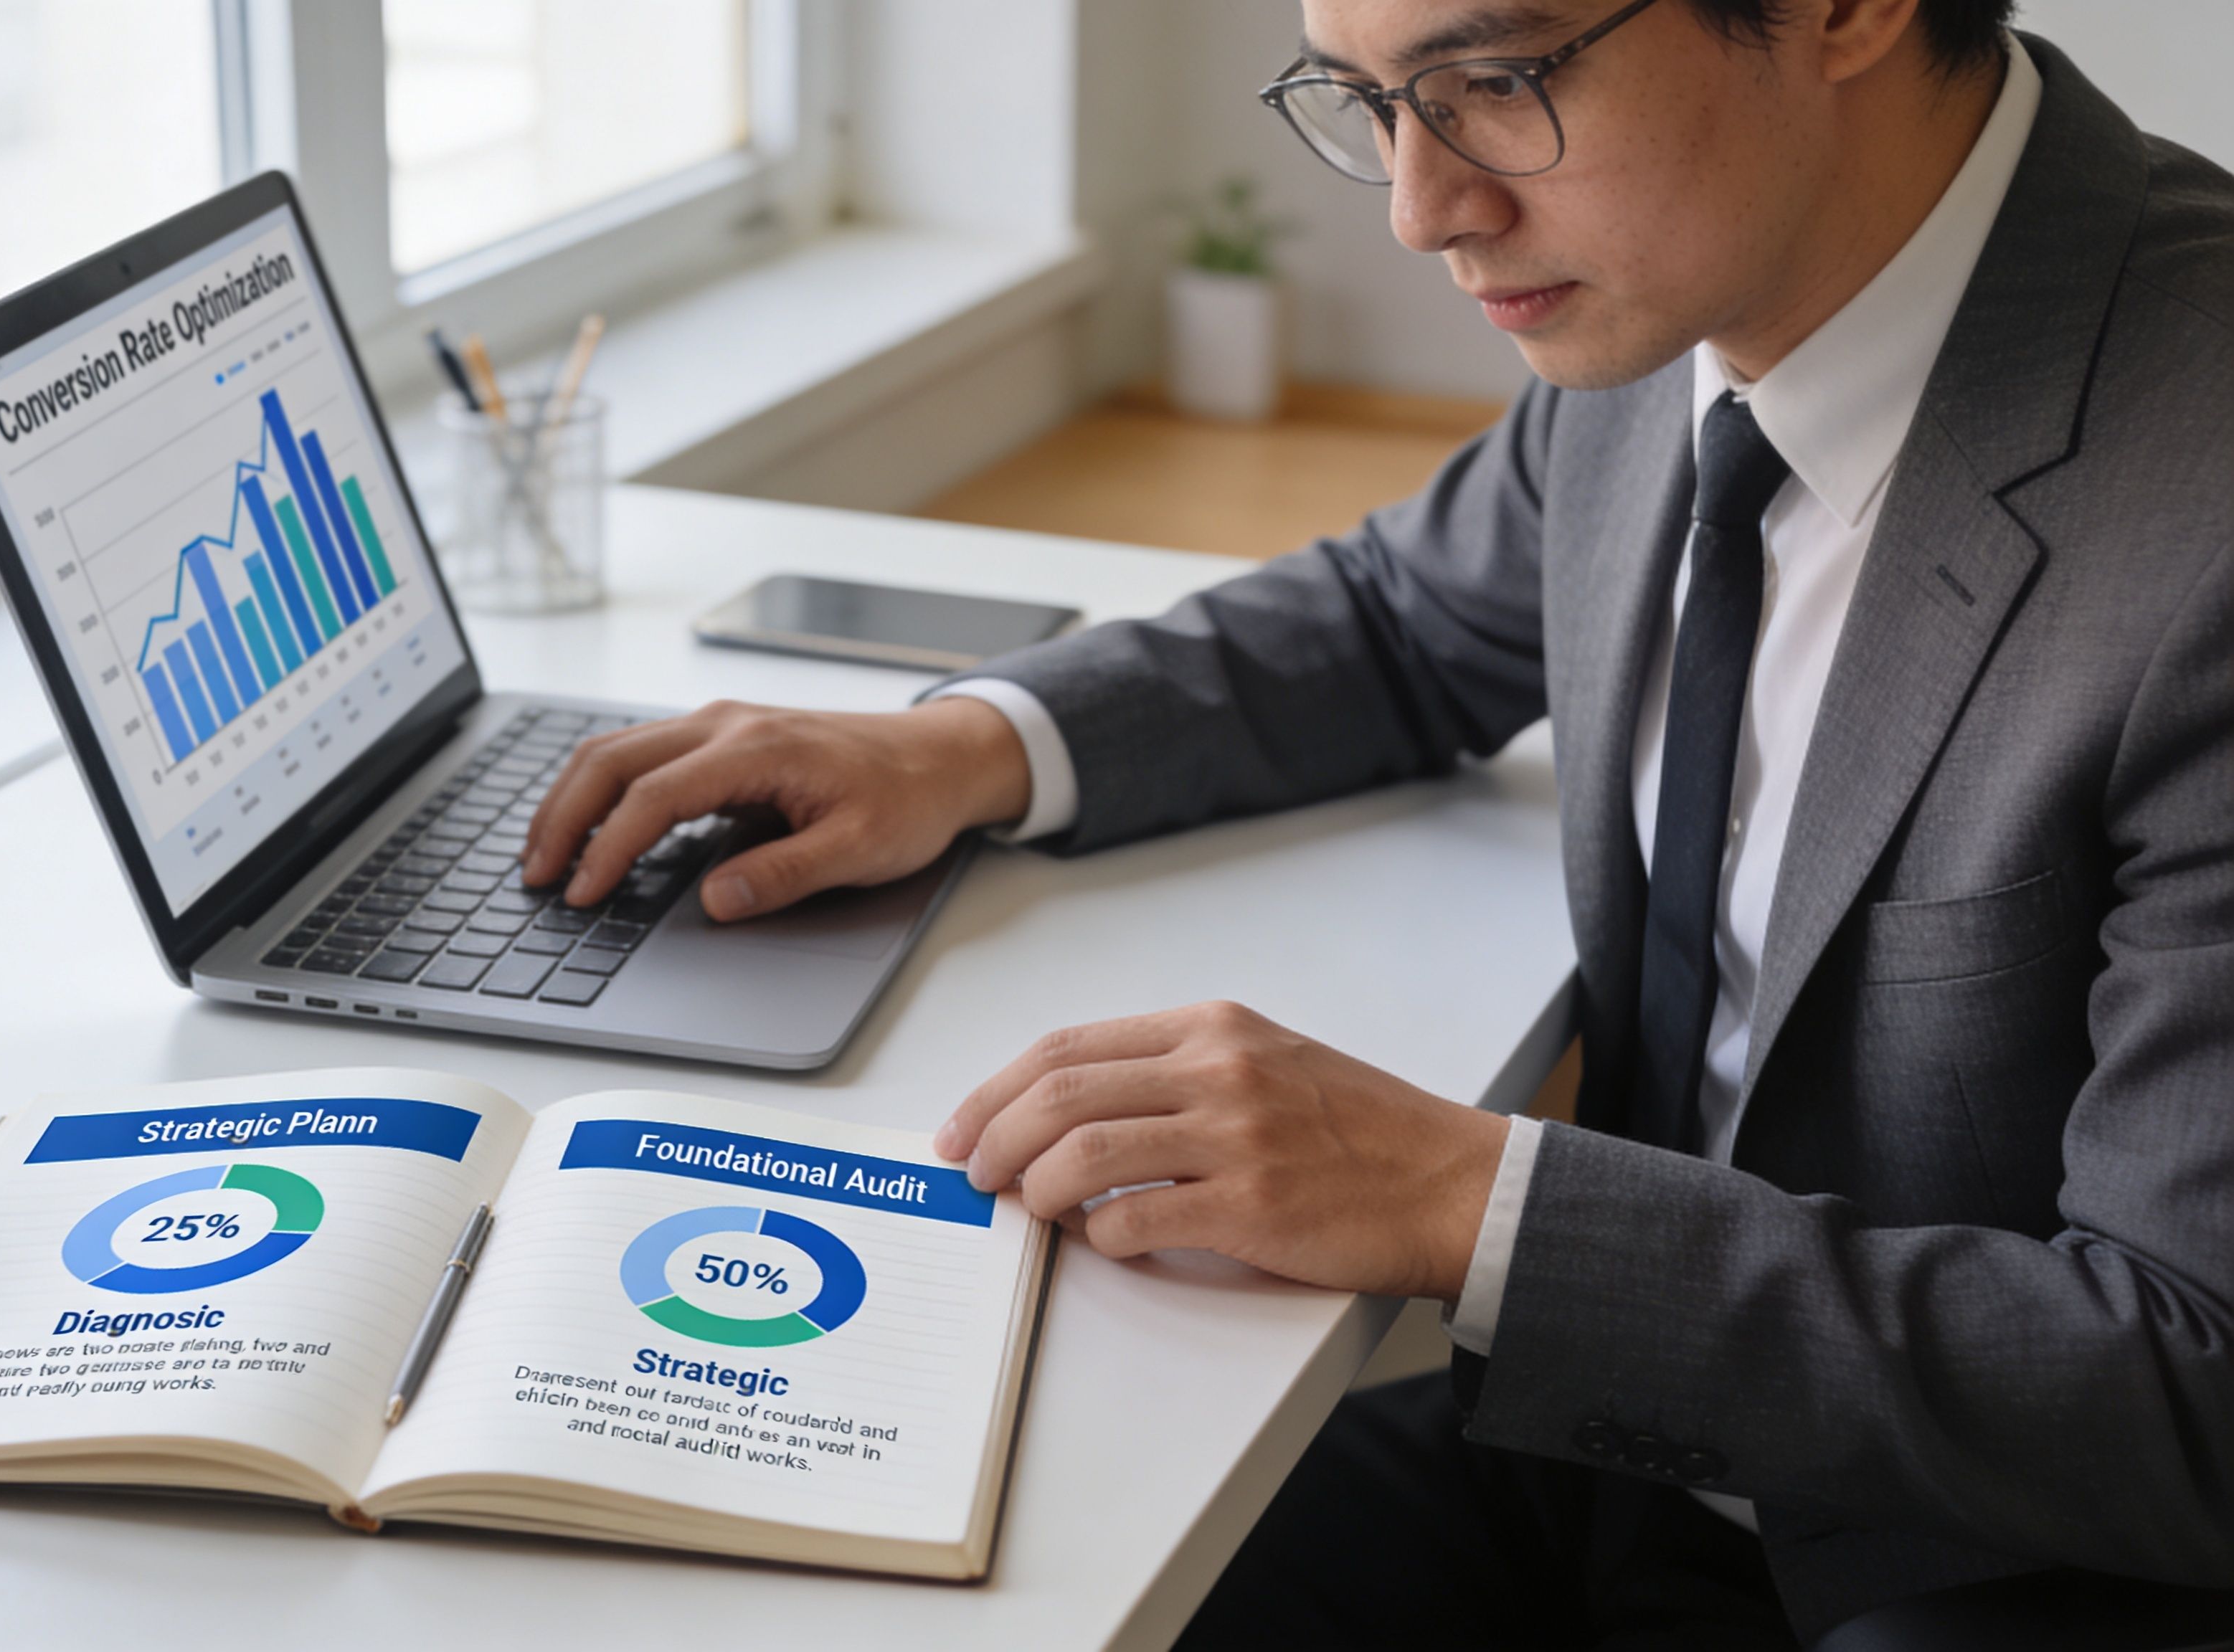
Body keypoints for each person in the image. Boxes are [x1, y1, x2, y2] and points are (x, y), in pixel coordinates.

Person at [524, 0, 2234, 1643]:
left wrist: (1461, 1197)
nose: (1422, 210)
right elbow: (1405, 616)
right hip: (1609, 1453)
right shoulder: (1684, 283)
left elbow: (2194, 1386)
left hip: (1998, 1565)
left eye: (1497, 79)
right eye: (1364, 100)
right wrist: (966, 748)